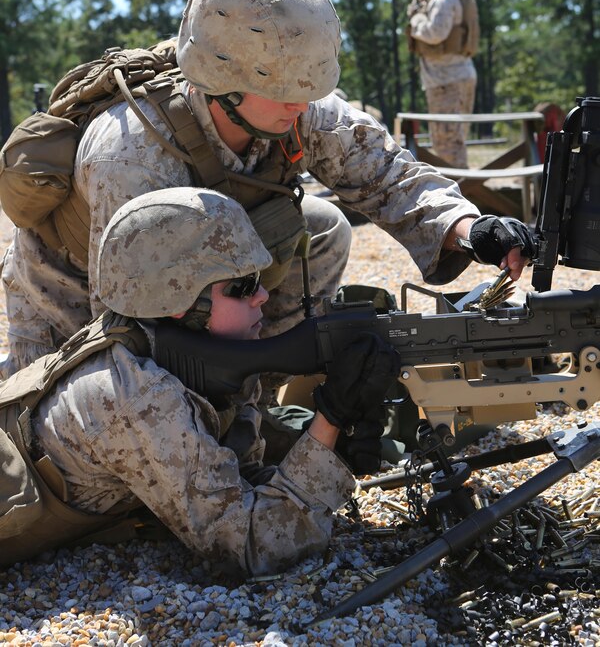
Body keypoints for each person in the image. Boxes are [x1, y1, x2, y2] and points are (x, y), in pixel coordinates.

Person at [1, 0, 529, 410]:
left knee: (322, 229)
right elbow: (127, 331)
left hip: (189, 274)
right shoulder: (132, 153)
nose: (300, 106)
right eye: (284, 93)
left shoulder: (286, 99)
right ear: (222, 82)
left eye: (308, 89)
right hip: (70, 315)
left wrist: (468, 227)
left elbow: (385, 170)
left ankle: (253, 396)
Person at [0, 188, 402, 574]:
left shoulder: (199, 355)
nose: (263, 296)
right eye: (241, 287)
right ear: (177, 304)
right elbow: (253, 546)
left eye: (259, 279)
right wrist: (330, 419)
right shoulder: (136, 394)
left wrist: (329, 450)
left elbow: (240, 482)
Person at [407, 0, 479, 168]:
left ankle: (457, 196)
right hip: (461, 74)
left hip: (444, 80)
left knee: (447, 146)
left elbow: (435, 33)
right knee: (456, 140)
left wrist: (416, 19)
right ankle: (464, 192)